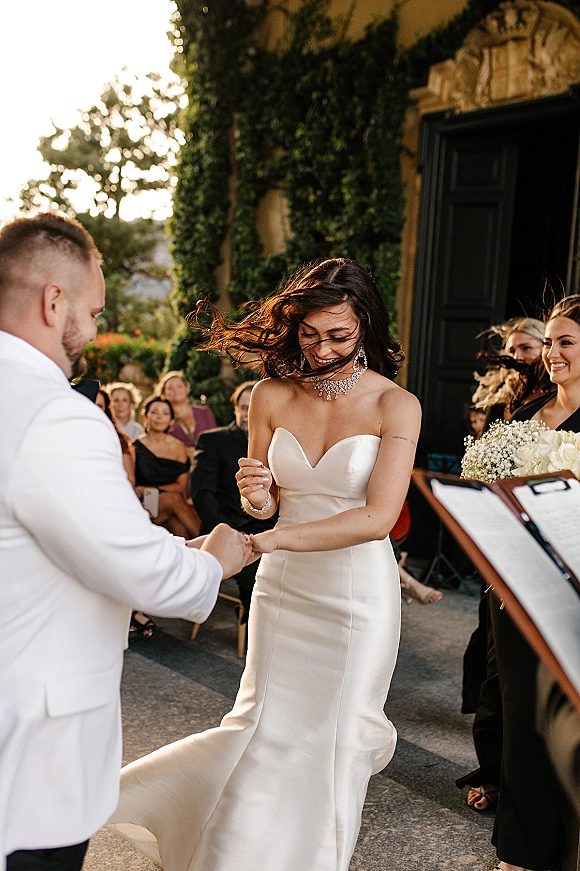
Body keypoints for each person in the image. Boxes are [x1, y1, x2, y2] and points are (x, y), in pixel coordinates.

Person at [108, 258, 421, 871]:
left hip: (358, 592)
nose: (323, 348)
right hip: (284, 589)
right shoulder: (273, 395)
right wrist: (258, 495)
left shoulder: (396, 405)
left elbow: (376, 518)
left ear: (365, 325)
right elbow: (265, 502)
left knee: (337, 738)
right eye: (309, 333)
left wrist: (267, 540)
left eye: (339, 335)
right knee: (263, 726)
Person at [0, 211, 252, 871]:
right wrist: (211, 561)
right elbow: (132, 561)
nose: (90, 324)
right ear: (54, 301)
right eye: (92, 307)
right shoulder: (54, 413)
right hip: (30, 752)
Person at [466, 298, 580, 871]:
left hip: (576, 596)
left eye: (567, 342)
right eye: (551, 342)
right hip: (516, 590)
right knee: (521, 721)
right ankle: (519, 851)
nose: (554, 354)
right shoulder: (527, 413)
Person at [191, 381, 277, 619]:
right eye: (243, 407)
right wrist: (227, 533)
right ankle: (255, 628)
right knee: (258, 575)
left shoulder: (279, 443)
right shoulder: (213, 441)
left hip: (274, 529)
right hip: (229, 529)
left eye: (253, 408)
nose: (247, 414)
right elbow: (201, 494)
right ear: (235, 409)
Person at [134, 396, 202, 539]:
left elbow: (181, 486)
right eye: (154, 412)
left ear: (171, 421)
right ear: (146, 417)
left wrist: (155, 490)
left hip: (169, 506)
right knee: (173, 499)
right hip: (144, 505)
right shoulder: (134, 447)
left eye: (165, 413)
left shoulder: (178, 447)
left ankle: (196, 553)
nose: (159, 417)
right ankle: (209, 545)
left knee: (180, 528)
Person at [156, 370, 216, 457]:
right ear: (163, 394)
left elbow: (215, 440)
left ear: (187, 388)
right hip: (176, 466)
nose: (176, 390)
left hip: (206, 465)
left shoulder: (204, 412)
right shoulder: (162, 418)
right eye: (170, 388)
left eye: (179, 386)